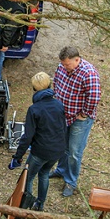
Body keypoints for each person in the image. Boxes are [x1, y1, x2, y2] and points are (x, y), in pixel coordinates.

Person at [8, 72, 68, 211]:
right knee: (44, 174)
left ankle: (24, 208)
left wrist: (17, 157)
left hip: (41, 151)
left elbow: (27, 136)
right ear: (49, 85)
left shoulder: (34, 109)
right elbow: (63, 128)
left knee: (28, 178)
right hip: (57, 150)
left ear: (34, 89)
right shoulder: (59, 104)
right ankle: (40, 204)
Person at [49, 46, 101, 197]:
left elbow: (94, 97)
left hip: (79, 120)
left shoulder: (89, 74)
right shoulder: (61, 67)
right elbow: (56, 83)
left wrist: (84, 114)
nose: (65, 67)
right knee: (63, 145)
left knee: (74, 152)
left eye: (67, 64)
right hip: (64, 115)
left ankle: (71, 182)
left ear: (77, 60)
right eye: (63, 64)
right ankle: (61, 170)